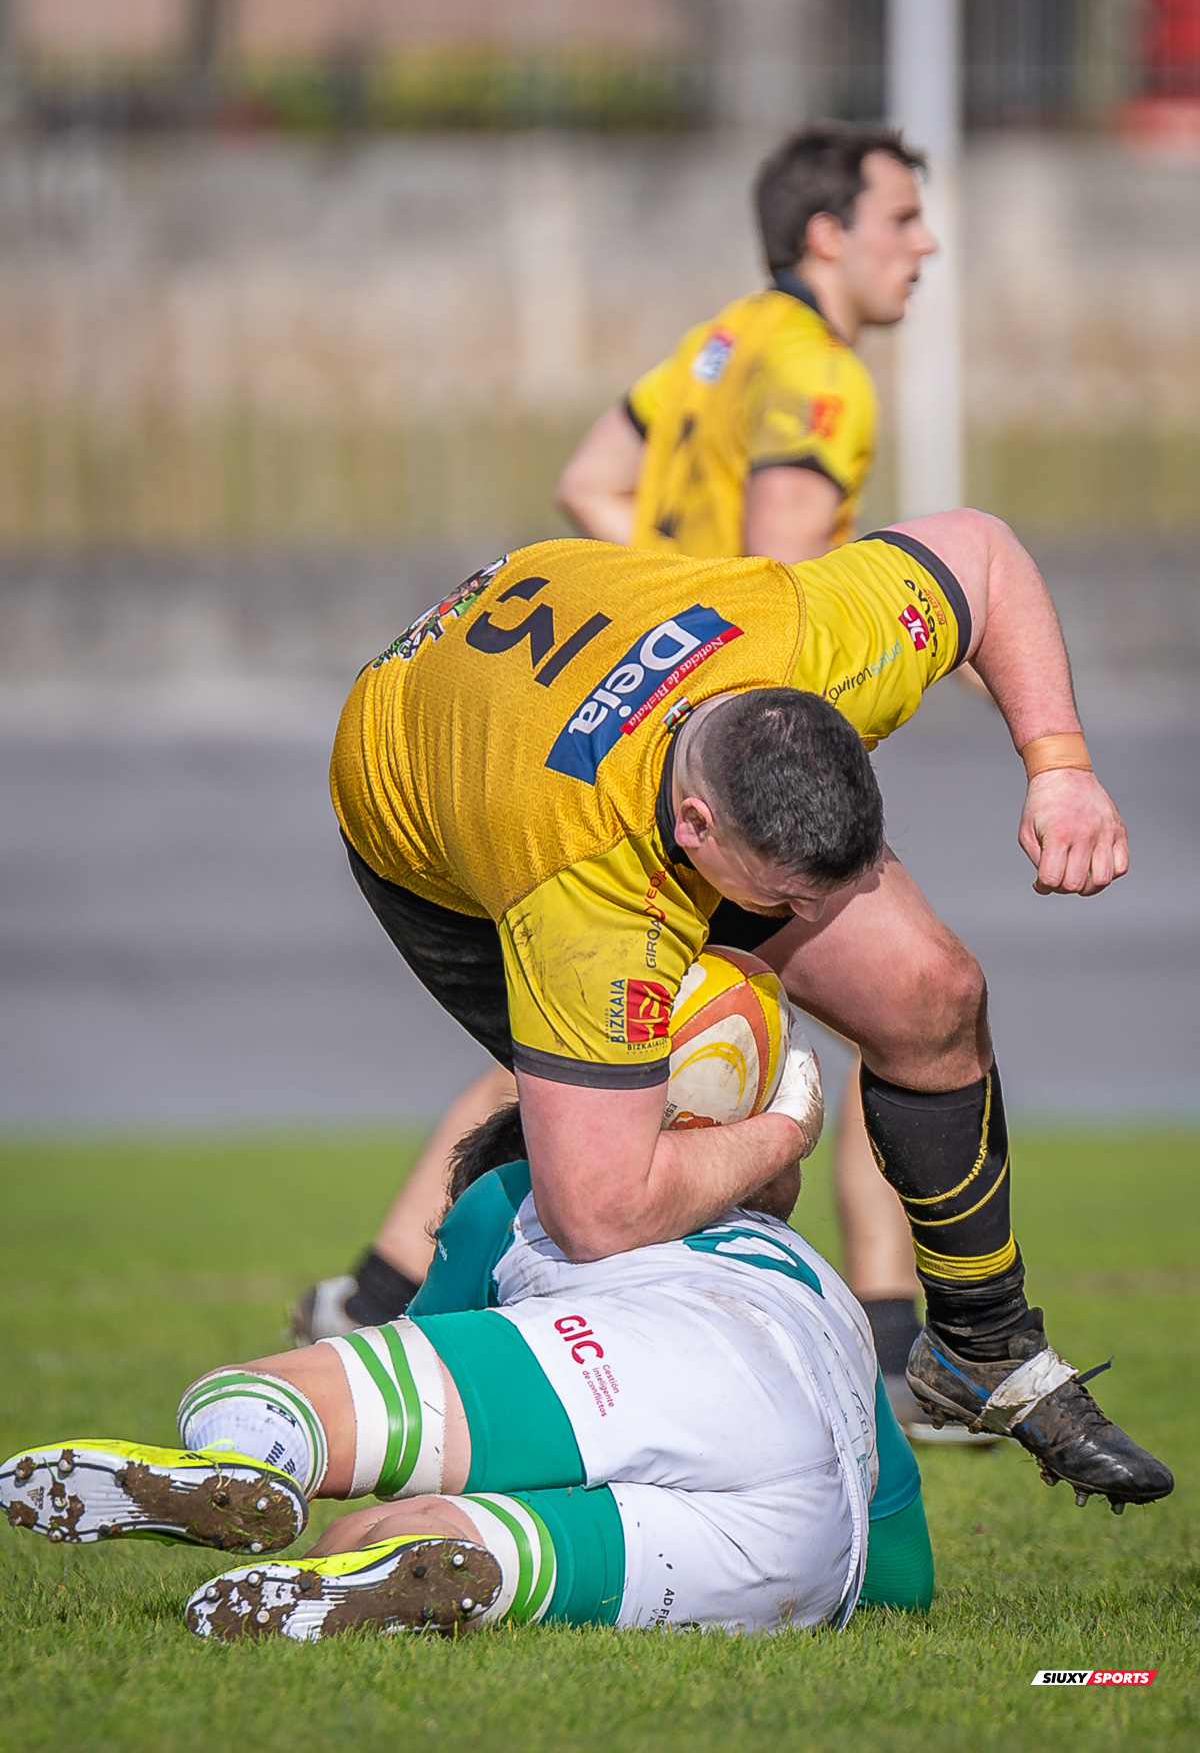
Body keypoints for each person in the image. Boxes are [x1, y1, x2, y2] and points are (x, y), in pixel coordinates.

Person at [315, 498, 1171, 1508]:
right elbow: (599, 1212)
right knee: (657, 1148)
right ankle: (504, 1427)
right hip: (433, 819)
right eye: (786, 899)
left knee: (930, 993)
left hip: (596, 693)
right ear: (696, 828)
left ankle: (985, 1345)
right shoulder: (582, 885)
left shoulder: (812, 636)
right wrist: (784, 1132)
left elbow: (982, 550)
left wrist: (1061, 766)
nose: (810, 920)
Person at [291, 124, 943, 1432]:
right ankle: (889, 1344)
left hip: (633, 718)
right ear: (828, 235)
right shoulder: (819, 373)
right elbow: (781, 562)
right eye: (902, 219)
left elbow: (590, 480)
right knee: (869, 1021)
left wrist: (643, 604)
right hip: (731, 752)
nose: (924, 246)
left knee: (599, 1037)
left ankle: (378, 1290)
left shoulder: (720, 344)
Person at [0, 1109, 934, 1642]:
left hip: (669, 1357)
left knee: (272, 1396)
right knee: (410, 1546)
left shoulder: (517, 1190)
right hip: (808, 1556)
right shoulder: (812, 1275)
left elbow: (429, 1352)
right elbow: (903, 1576)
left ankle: (249, 1453)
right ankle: (367, 1575)